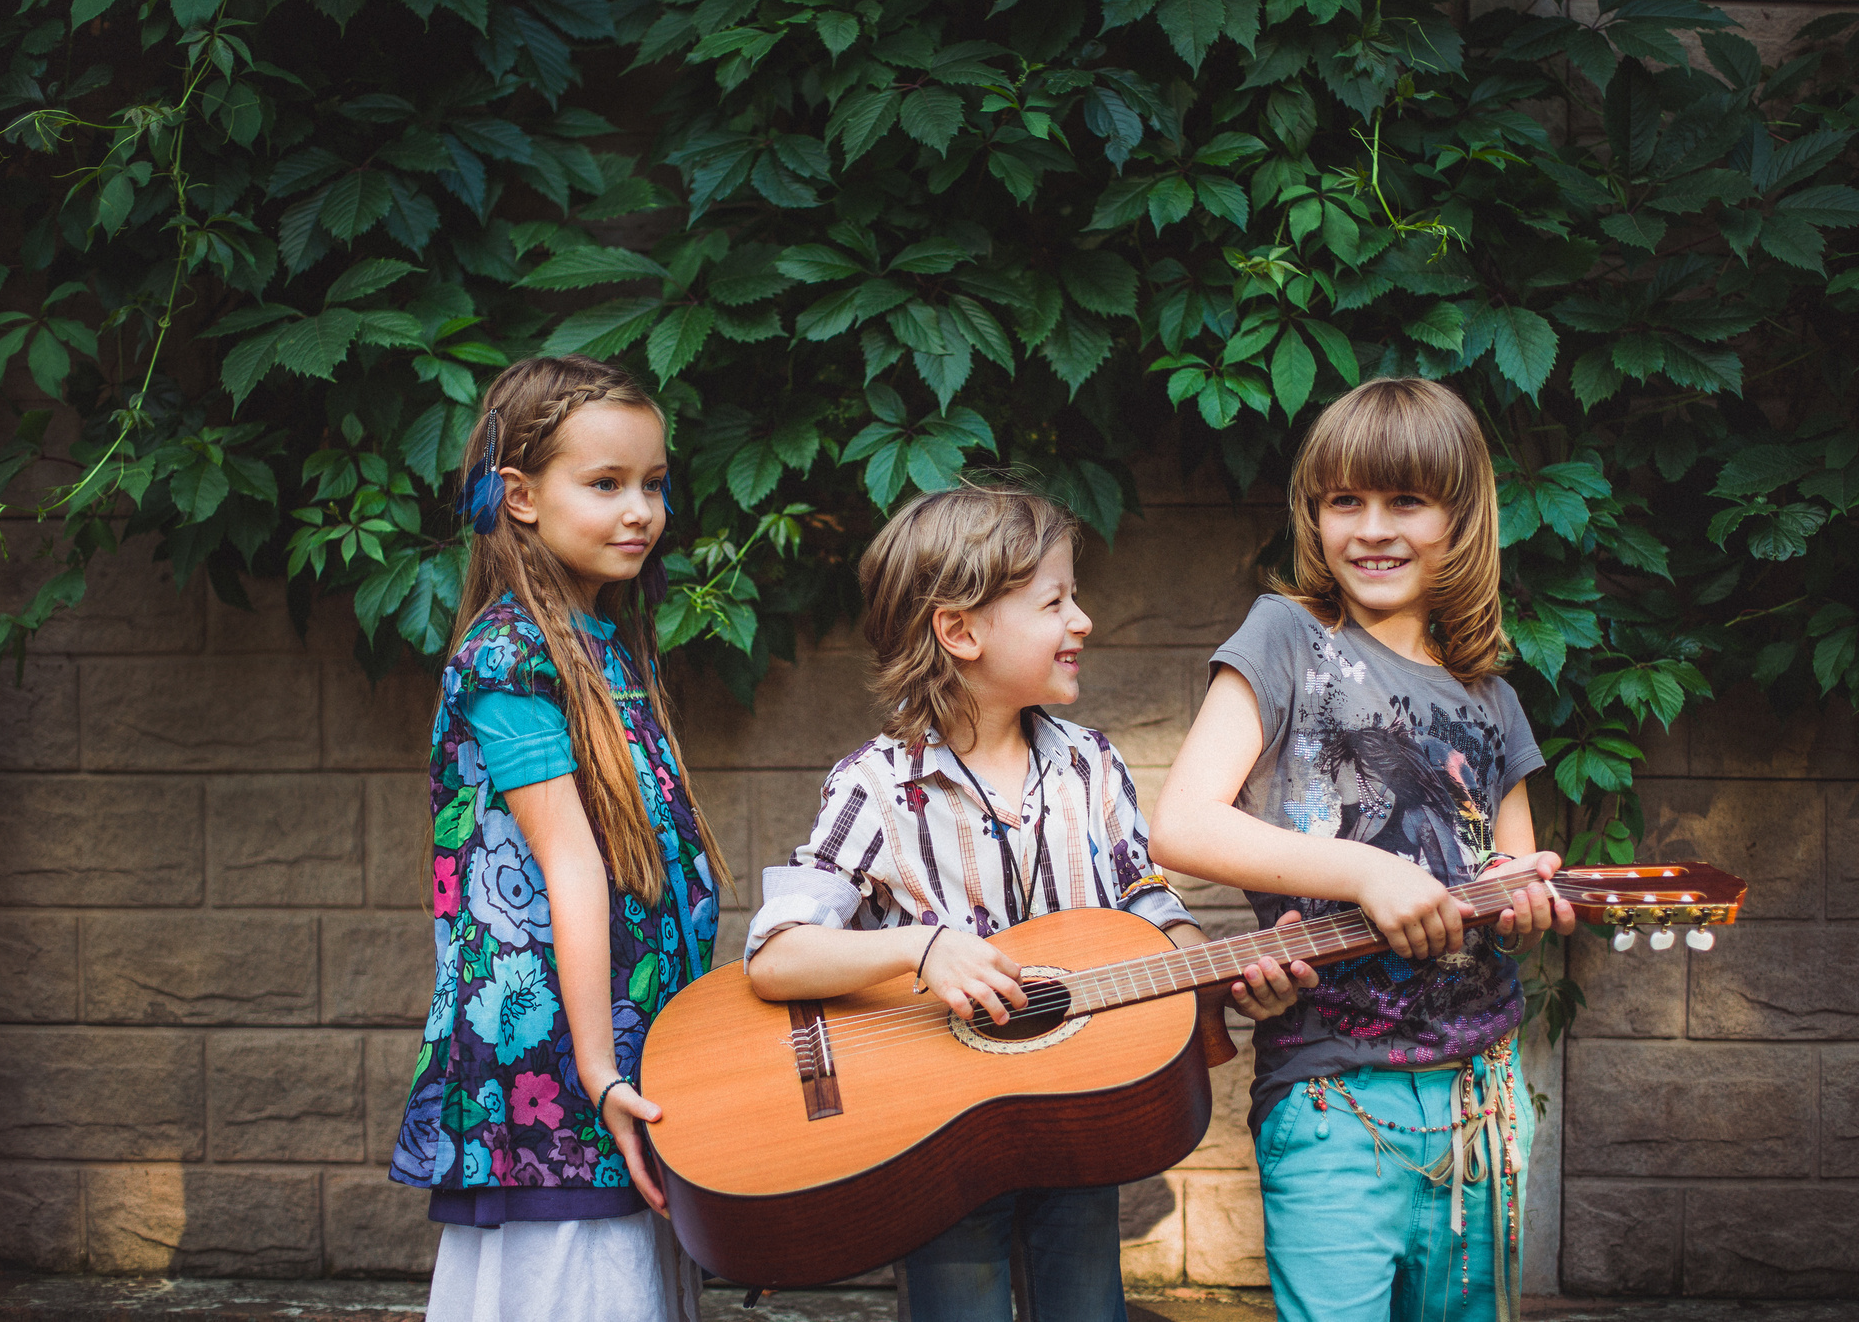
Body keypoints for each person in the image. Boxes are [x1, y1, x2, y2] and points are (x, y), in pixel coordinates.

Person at [743, 481, 1317, 1322]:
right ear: (960, 630)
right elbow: (776, 952)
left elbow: (1145, 900)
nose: (1083, 619)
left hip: (1075, 1124)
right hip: (936, 1139)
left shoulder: (1090, 765)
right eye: (1055, 601)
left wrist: (1214, 966)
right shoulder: (874, 785)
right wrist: (922, 948)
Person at [1150, 377, 1577, 1322]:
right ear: (1314, 513)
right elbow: (1181, 822)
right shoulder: (1288, 637)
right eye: (1346, 500)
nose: (1372, 528)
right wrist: (1370, 871)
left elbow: (1506, 901)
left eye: (1407, 502)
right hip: (1332, 1092)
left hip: (1480, 1097)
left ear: (1460, 519)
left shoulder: (1492, 700)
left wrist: (1528, 909)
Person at [390, 356, 731, 1322]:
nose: (642, 511)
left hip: (623, 1037)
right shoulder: (510, 656)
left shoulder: (605, 642)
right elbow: (571, 866)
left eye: (655, 485)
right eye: (608, 483)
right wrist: (600, 1072)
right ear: (521, 497)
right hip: (558, 1062)